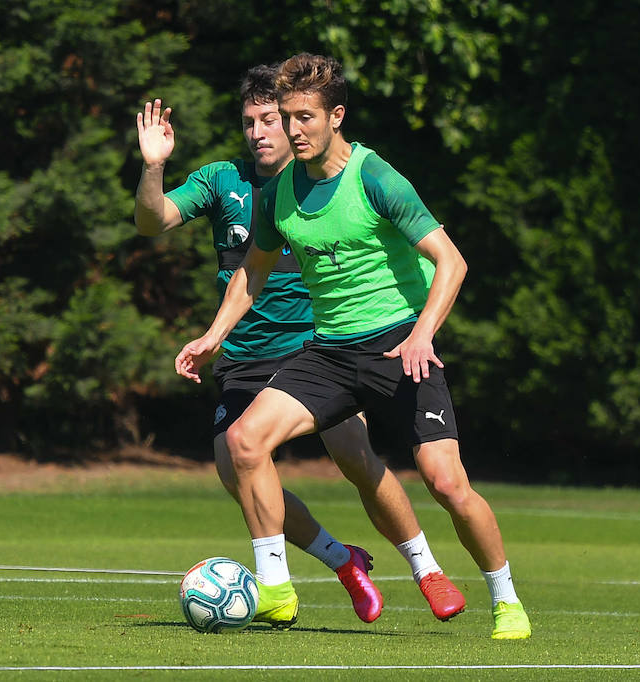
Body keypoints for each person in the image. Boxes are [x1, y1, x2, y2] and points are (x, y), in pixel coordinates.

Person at [174, 53, 530, 640]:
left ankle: (505, 597)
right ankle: (275, 588)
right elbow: (252, 271)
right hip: (330, 353)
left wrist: (421, 334)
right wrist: (214, 336)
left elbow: (451, 261)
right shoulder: (281, 190)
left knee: (446, 482)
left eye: (304, 118)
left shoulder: (376, 178)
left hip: (398, 345)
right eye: (285, 117)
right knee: (243, 441)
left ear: (335, 116)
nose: (292, 130)